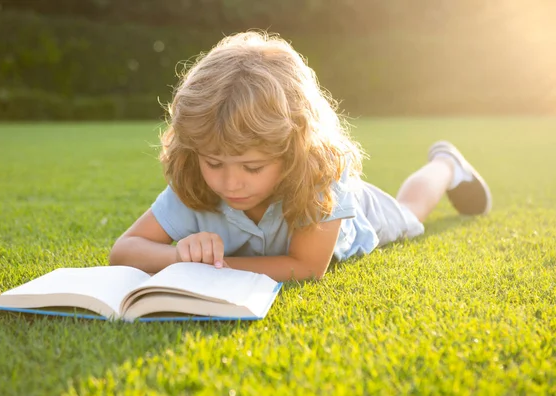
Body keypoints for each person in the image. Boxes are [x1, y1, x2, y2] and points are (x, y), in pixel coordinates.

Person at [109, 31, 491, 282]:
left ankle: (445, 165)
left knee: (410, 212)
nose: (230, 183)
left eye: (252, 166)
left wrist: (208, 269)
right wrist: (180, 257)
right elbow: (123, 251)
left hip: (359, 214)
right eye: (214, 162)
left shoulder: (320, 180)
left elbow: (306, 267)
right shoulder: (196, 184)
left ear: (293, 151)